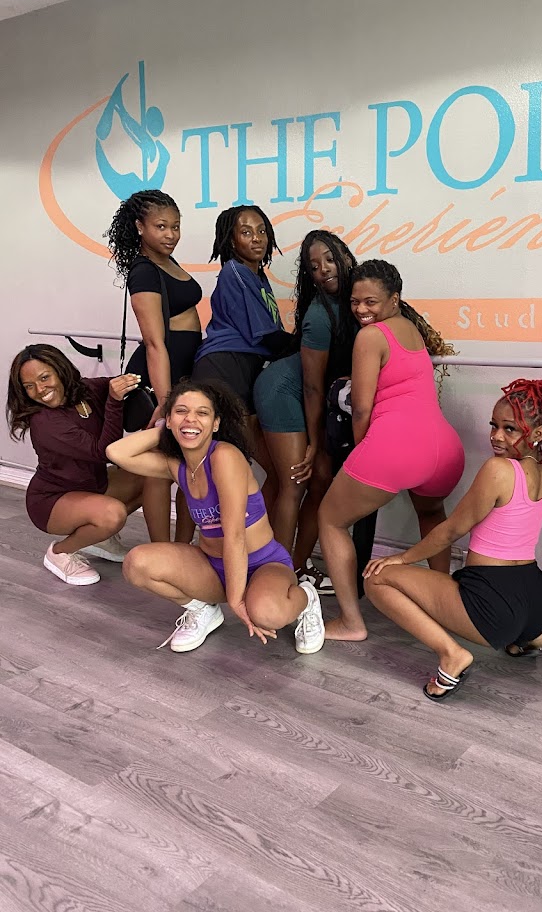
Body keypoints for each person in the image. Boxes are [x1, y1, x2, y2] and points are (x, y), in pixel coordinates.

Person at [365, 380, 542, 700]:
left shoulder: (498, 469)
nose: (496, 436)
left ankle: (451, 655)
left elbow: (450, 531)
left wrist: (401, 558)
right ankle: (529, 638)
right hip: (539, 601)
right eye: (494, 425)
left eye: (510, 429)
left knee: (376, 579)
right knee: (512, 620)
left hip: (494, 602)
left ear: (538, 433)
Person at [106, 380, 325, 655]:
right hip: (213, 564)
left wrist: (236, 600)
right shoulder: (177, 466)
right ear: (169, 419)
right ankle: (203, 610)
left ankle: (307, 598)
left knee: (266, 614)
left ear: (216, 423)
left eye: (202, 413)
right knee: (136, 563)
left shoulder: (225, 456)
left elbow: (235, 535)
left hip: (262, 562)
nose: (191, 418)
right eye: (181, 411)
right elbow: (116, 453)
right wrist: (167, 428)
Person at [318, 258, 465, 641]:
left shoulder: (370, 337)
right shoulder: (411, 329)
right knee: (431, 515)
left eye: (371, 302)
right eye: (355, 302)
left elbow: (361, 407)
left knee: (330, 520)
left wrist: (362, 451)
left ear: (394, 299)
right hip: (443, 448)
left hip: (397, 446)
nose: (361, 309)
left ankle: (351, 622)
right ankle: (443, 607)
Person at [253, 230, 358, 587]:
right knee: (294, 483)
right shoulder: (319, 314)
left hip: (311, 398)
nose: (323, 269)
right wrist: (314, 442)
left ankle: (298, 566)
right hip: (283, 392)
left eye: (329, 259)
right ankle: (277, 577)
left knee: (322, 482)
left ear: (346, 257)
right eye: (314, 267)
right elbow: (312, 386)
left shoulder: (358, 300)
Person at [106, 189, 202, 543]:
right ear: (139, 227)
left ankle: (179, 547)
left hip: (181, 371)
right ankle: (161, 549)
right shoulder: (144, 271)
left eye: (175, 226)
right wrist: (165, 400)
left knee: (179, 465)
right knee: (159, 470)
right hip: (161, 375)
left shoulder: (167, 261)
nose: (171, 234)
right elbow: (154, 343)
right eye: (161, 226)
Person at [6, 344, 145, 585]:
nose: (40, 390)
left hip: (92, 486)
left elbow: (116, 384)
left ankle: (100, 538)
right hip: (51, 501)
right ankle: (59, 552)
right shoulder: (45, 422)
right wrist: (114, 401)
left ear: (60, 370)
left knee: (150, 476)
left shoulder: (85, 389)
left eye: (44, 378)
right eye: (29, 386)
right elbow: (104, 452)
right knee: (112, 515)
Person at [192, 204, 290, 508]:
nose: (257, 238)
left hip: (246, 370)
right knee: (223, 470)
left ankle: (258, 534)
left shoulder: (258, 277)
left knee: (269, 470)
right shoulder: (235, 272)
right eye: (246, 232)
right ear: (232, 240)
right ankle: (224, 534)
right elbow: (269, 337)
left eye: (262, 231)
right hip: (225, 369)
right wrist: (314, 345)